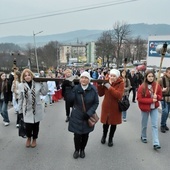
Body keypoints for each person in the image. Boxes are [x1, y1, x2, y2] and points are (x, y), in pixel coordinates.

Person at [68, 71, 99, 159]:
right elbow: (69, 100)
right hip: (76, 115)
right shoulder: (75, 88)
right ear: (80, 79)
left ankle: (82, 149)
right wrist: (71, 89)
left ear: (89, 80)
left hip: (87, 115)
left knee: (85, 134)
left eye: (86, 78)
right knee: (77, 135)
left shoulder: (93, 89)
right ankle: (76, 150)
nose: (84, 80)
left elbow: (96, 103)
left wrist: (89, 113)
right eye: (82, 77)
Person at [18, 69, 48, 148]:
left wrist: (44, 82)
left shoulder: (37, 83)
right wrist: (19, 110)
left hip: (37, 108)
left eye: (29, 75)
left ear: (31, 75)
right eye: (25, 75)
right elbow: (20, 99)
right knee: (28, 126)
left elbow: (44, 92)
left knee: (36, 125)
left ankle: (34, 138)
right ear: (23, 77)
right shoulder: (21, 85)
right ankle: (28, 137)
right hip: (27, 109)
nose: (27, 77)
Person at [97, 69, 124, 147]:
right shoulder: (106, 81)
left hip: (115, 107)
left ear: (117, 77)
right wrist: (99, 86)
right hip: (106, 106)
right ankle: (104, 136)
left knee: (113, 123)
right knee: (105, 123)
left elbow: (118, 95)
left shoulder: (121, 83)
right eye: (111, 75)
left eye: (114, 76)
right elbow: (101, 94)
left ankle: (110, 138)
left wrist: (109, 87)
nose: (112, 77)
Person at [137, 70, 162, 150]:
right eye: (149, 76)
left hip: (154, 108)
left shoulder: (157, 85)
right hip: (145, 108)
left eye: (152, 76)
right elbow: (139, 99)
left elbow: (160, 96)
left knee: (154, 125)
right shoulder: (142, 87)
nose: (151, 78)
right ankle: (143, 136)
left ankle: (156, 142)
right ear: (146, 77)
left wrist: (157, 97)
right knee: (144, 124)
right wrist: (151, 100)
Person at [158, 67, 170, 133]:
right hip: (164, 98)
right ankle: (162, 125)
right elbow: (156, 89)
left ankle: (164, 124)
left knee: (167, 112)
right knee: (165, 111)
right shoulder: (161, 79)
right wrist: (161, 90)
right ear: (166, 72)